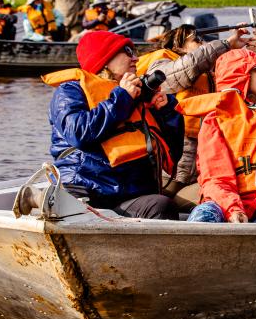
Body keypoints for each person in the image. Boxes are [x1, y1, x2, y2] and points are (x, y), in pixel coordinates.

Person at [42, 30, 178, 219]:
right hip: (86, 190)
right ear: (104, 60)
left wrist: (167, 111)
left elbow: (173, 153)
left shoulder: (137, 94)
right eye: (127, 52)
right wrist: (122, 97)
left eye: (134, 52)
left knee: (161, 206)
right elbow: (78, 133)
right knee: (161, 205)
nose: (136, 58)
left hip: (130, 193)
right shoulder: (70, 91)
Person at [179, 48, 256, 224]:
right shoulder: (215, 120)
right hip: (226, 205)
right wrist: (233, 209)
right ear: (240, 76)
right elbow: (215, 177)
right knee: (204, 214)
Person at [137, 24, 248, 199]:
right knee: (166, 198)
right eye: (197, 40)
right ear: (178, 46)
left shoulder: (210, 71)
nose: (204, 44)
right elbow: (184, 68)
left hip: (204, 152)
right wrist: (225, 44)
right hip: (175, 158)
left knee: (213, 194)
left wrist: (247, 51)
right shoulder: (162, 63)